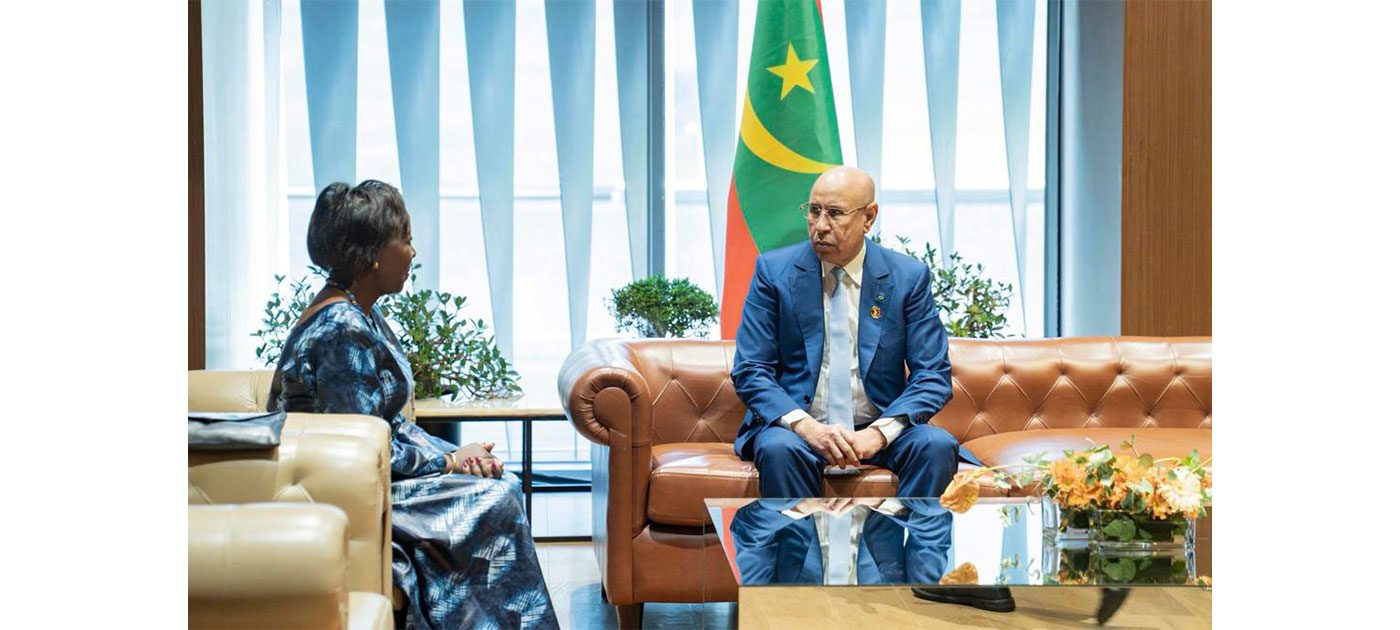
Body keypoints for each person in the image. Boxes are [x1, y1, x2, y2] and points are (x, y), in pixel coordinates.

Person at [267, 180, 558, 629]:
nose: (413, 252)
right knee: (498, 497)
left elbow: (388, 427)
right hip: (347, 492)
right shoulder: (342, 330)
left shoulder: (359, 311)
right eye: (405, 239)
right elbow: (364, 450)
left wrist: (459, 457)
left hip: (372, 478)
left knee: (499, 484)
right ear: (371, 254)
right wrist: (450, 462)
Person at [729, 165, 1013, 613]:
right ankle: (792, 604)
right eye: (814, 211)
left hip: (878, 426)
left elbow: (932, 375)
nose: (820, 225)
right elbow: (751, 370)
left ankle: (922, 598)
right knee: (779, 448)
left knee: (936, 445)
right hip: (799, 429)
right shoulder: (775, 272)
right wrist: (807, 428)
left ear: (869, 216)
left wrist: (877, 435)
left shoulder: (906, 277)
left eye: (835, 213)